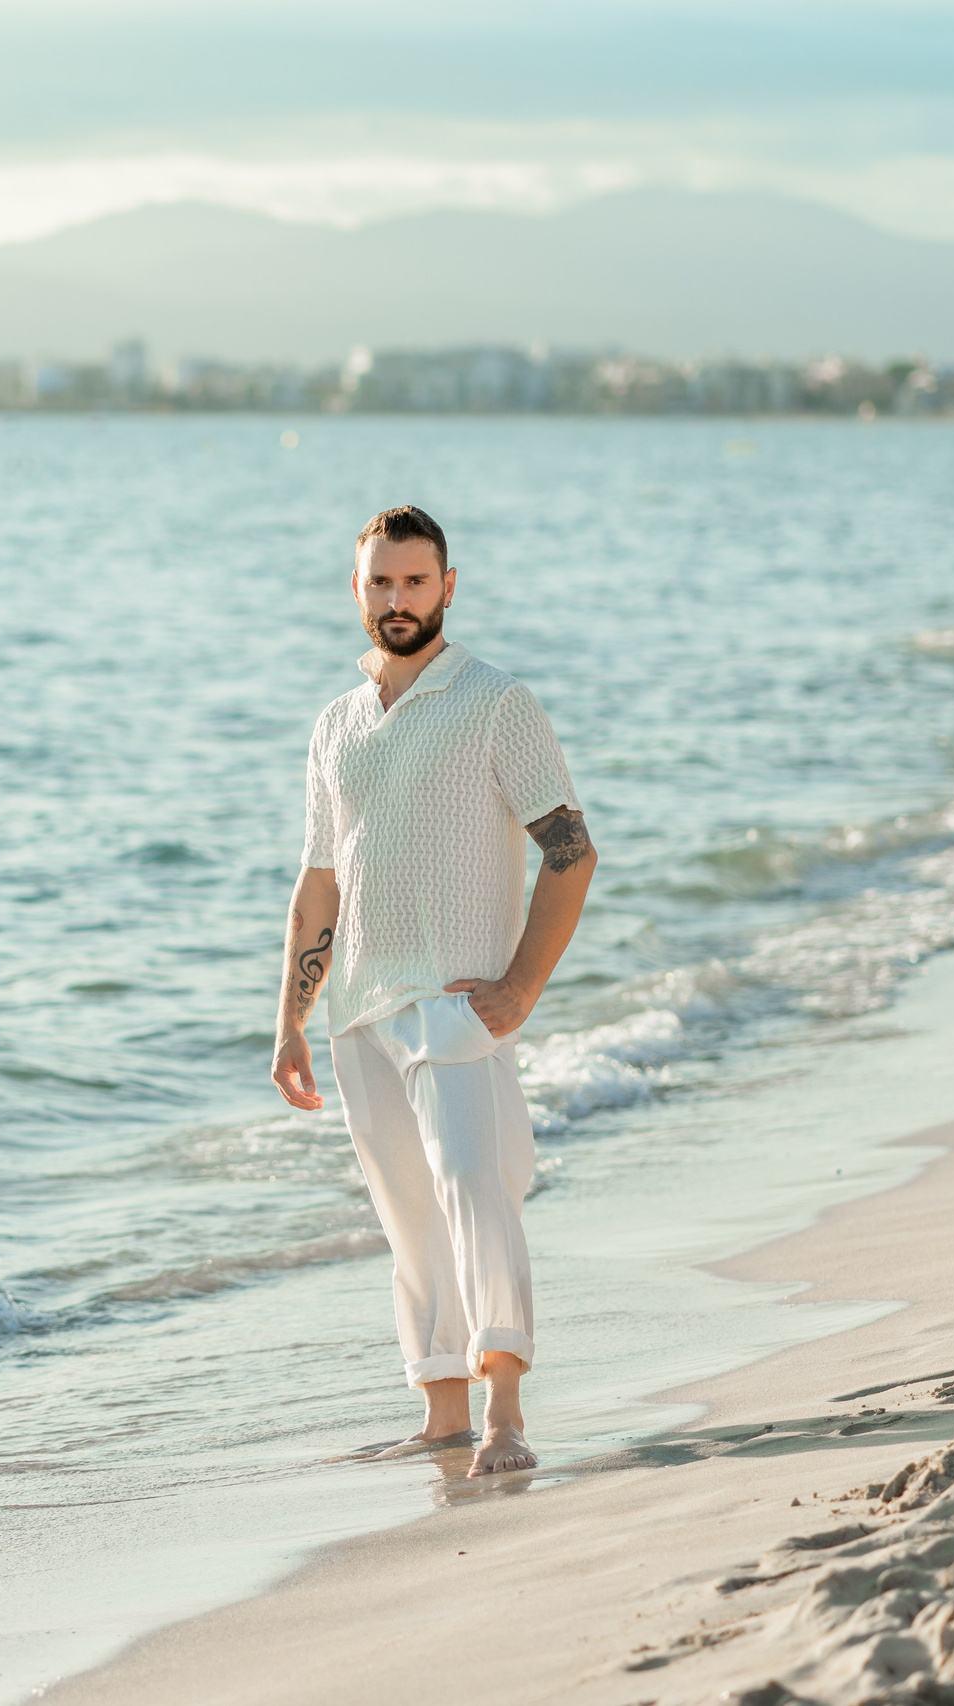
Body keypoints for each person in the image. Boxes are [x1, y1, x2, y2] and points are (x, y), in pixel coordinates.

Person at [271, 504, 596, 1479]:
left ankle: (505, 1409)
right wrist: (288, 1019)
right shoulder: (335, 724)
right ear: (356, 588)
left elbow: (570, 851)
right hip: (357, 1010)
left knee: (473, 1189)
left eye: (415, 581)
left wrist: (520, 988)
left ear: (447, 586)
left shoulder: (496, 700)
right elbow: (319, 880)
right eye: (380, 582)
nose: (397, 599)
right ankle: (441, 1408)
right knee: (407, 1215)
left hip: (456, 1002)